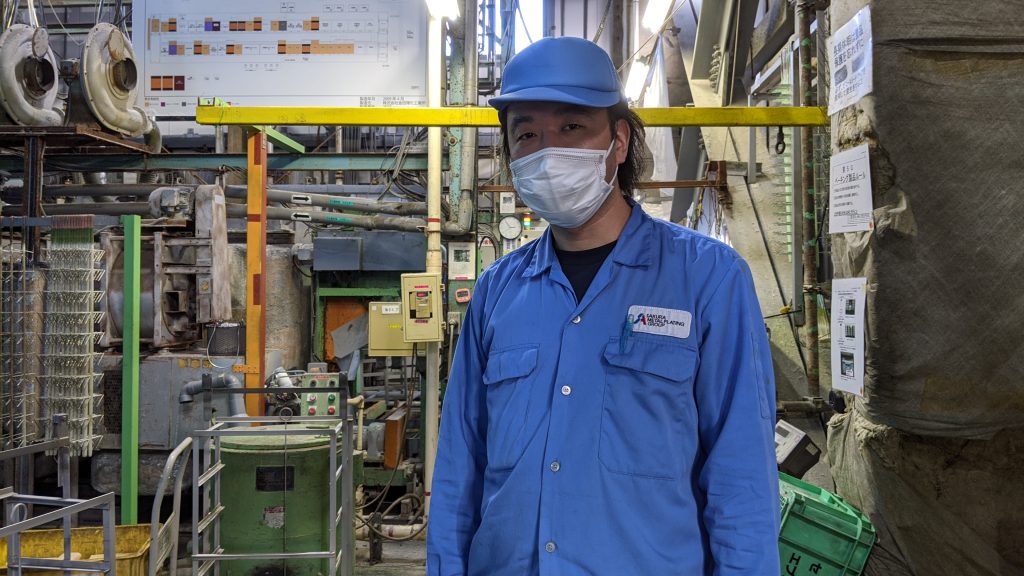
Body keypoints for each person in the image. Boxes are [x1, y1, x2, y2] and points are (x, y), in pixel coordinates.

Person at [427, 36, 779, 575]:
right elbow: (459, 469)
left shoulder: (707, 278)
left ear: (618, 140)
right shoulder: (497, 291)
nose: (548, 152)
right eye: (526, 134)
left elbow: (742, 475)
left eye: (572, 127)